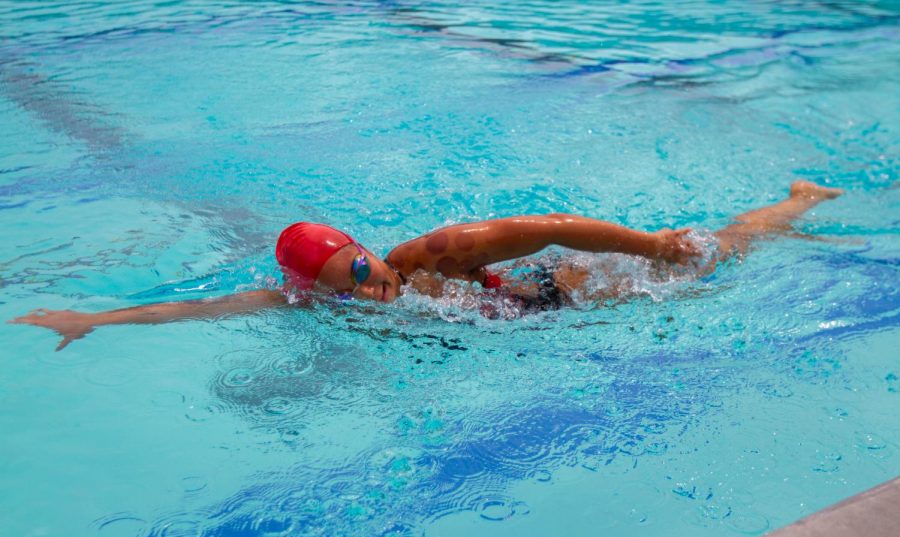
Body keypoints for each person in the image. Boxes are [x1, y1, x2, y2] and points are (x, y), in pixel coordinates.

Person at [10, 180, 843, 350]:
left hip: (570, 289)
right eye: (350, 283)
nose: (372, 285)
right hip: (528, 324)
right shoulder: (314, 305)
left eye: (364, 265)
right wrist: (96, 319)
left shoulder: (428, 260)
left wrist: (653, 249)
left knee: (711, 256)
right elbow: (200, 311)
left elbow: (547, 225)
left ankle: (795, 201)